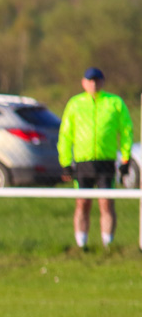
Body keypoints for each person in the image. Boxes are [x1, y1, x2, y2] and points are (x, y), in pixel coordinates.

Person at [58, 67, 134, 249]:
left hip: (106, 161)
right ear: (84, 82)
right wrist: (65, 162)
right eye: (90, 80)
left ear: (102, 82)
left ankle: (108, 245)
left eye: (97, 80)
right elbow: (65, 134)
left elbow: (126, 131)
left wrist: (125, 158)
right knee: (82, 202)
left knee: (106, 203)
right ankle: (81, 244)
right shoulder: (75, 104)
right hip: (83, 161)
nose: (93, 84)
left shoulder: (114, 103)